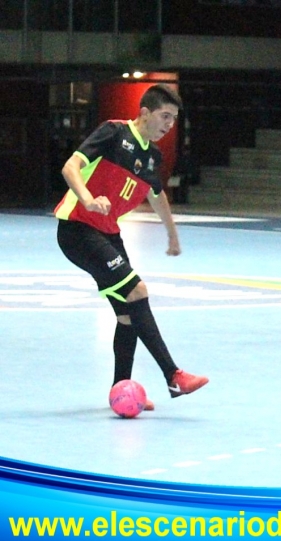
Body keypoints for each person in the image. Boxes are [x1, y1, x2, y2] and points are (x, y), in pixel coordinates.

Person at [55, 84, 209, 410]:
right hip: (78, 229)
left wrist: (173, 235)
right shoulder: (113, 133)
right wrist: (87, 199)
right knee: (137, 291)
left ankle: (119, 391)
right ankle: (173, 375)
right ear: (144, 113)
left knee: (128, 315)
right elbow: (70, 167)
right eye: (164, 116)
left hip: (107, 235)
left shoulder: (152, 156)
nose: (169, 124)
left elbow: (157, 196)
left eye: (173, 119)